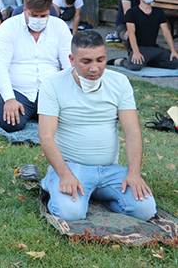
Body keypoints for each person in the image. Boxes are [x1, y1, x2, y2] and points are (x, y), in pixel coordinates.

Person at [38, 30, 156, 221]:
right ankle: (54, 182)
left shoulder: (120, 82)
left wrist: (134, 173)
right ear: (71, 59)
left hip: (109, 169)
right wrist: (65, 174)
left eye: (100, 60)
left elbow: (132, 131)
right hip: (71, 167)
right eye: (86, 62)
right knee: (71, 213)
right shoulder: (52, 84)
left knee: (145, 210)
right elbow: (46, 136)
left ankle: (99, 196)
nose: (94, 68)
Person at [0, 0, 72, 132]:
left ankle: (35, 112)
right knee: (12, 123)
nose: (39, 20)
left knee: (69, 120)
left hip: (50, 89)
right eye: (34, 15)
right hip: (18, 90)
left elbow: (69, 64)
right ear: (25, 9)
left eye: (43, 16)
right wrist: (9, 98)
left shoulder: (59, 26)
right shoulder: (8, 27)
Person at [119, 0, 178, 70]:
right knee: (136, 66)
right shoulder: (132, 13)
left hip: (153, 48)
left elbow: (166, 32)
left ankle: (148, 61)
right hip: (139, 48)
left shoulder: (159, 12)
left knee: (175, 63)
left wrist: (173, 51)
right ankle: (121, 61)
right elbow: (131, 33)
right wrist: (135, 52)